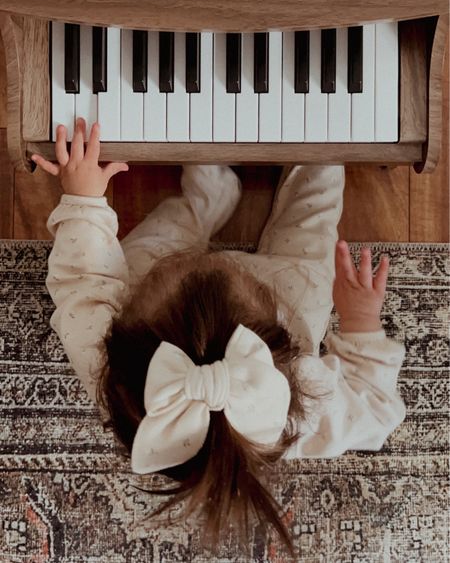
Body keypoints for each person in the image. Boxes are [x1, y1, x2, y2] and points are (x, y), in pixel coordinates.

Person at [32, 117, 406, 560]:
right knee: (314, 220)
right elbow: (378, 412)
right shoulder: (298, 406)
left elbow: (83, 280)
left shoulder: (113, 367)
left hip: (159, 273)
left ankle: (208, 199)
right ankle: (318, 147)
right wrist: (361, 321)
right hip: (288, 293)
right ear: (276, 356)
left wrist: (83, 201)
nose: (215, 262)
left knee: (158, 238)